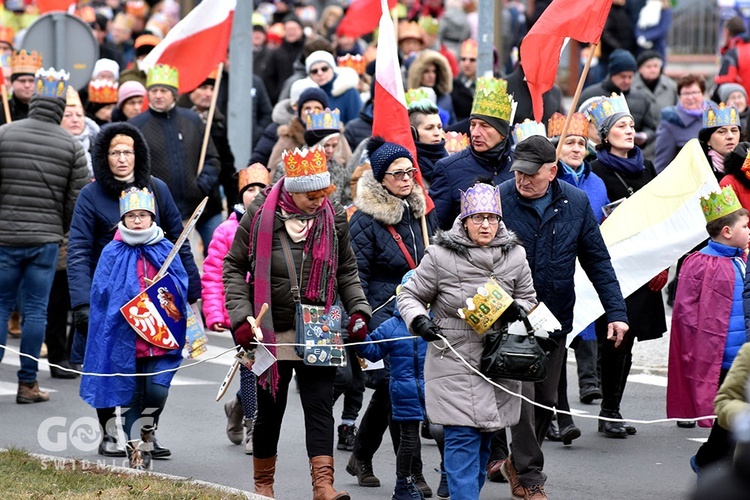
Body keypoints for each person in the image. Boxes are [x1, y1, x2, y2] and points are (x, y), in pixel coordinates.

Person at [223, 145, 372, 499]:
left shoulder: (333, 214)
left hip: (319, 324)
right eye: (310, 195)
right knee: (270, 409)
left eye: (323, 193)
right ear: (291, 188)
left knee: (320, 406)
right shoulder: (259, 213)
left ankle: (323, 486)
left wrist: (358, 311)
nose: (318, 201)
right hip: (269, 327)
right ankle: (264, 487)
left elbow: (347, 269)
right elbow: (233, 267)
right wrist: (242, 319)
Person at [497, 135, 629, 499]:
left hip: (554, 319)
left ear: (552, 172)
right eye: (518, 172)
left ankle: (515, 462)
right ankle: (530, 477)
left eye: (531, 174)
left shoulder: (577, 203)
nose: (522, 180)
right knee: (522, 399)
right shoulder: (499, 197)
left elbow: (598, 261)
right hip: (508, 318)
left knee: (545, 398)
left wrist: (616, 313)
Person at [67, 121, 201, 458]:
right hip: (107, 298)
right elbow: (79, 249)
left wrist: (192, 285)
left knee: (152, 374)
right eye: (115, 152)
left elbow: (178, 239)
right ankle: (110, 432)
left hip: (154, 297)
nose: (122, 158)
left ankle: (146, 433)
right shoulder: (90, 194)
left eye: (128, 151)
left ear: (138, 155)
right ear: (104, 157)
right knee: (108, 366)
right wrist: (83, 300)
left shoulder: (158, 189)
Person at [397, 181, 537, 500]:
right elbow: (409, 294)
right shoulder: (440, 255)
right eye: (478, 218)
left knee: (487, 440)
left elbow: (529, 297)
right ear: (464, 220)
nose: (485, 224)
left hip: (499, 359)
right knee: (462, 439)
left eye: (491, 218)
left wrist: (518, 310)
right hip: (452, 355)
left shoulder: (515, 255)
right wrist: (419, 320)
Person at [346, 136, 436, 495]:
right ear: (381, 179)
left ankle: (361, 455)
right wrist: (362, 318)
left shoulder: (421, 214)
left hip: (420, 312)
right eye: (397, 173)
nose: (406, 178)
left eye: (409, 171)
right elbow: (355, 276)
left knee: (393, 392)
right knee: (396, 390)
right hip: (385, 316)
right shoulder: (365, 222)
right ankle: (413, 473)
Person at [80, 187, 189, 470]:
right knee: (130, 393)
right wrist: (131, 298)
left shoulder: (165, 248)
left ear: (151, 217)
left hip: (161, 336)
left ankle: (147, 430)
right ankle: (136, 451)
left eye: (142, 215)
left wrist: (161, 293)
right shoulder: (112, 251)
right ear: (123, 219)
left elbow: (180, 285)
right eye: (131, 215)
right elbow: (102, 293)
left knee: (156, 391)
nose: (137, 220)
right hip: (125, 336)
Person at [0, 67, 88, 403]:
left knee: (1, 304)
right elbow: (76, 199)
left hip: (5, 237)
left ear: (35, 100)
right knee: (37, 311)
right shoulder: (70, 145)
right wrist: (58, 227)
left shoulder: (5, 133)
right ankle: (27, 384)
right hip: (45, 242)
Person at [588, 93, 666, 438]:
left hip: (644, 262)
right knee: (614, 337)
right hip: (613, 265)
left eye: (632, 125)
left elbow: (657, 213)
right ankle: (608, 410)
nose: (629, 130)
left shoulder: (646, 167)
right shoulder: (597, 170)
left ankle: (614, 406)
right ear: (606, 135)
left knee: (630, 336)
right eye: (621, 126)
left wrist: (663, 261)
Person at [666, 185, 749, 472]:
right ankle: (709, 463)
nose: (749, 230)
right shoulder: (700, 262)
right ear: (727, 231)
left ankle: (711, 463)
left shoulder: (742, 259)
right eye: (745, 226)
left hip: (743, 353)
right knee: (731, 416)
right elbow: (688, 316)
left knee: (734, 418)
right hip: (722, 356)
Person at [545, 112, 610, 443]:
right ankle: (561, 413)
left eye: (581, 143)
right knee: (555, 346)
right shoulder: (551, 182)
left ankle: (589, 382)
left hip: (587, 268)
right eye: (568, 142)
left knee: (585, 330)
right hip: (558, 271)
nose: (575, 148)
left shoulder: (596, 182)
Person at [202, 163, 269, 455]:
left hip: (270, 309)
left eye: (261, 189)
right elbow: (215, 273)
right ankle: (254, 425)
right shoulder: (227, 230)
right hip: (240, 310)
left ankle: (237, 404)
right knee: (251, 365)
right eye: (249, 190)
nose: (255, 195)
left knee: (269, 370)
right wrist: (216, 313)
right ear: (239, 196)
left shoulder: (277, 223)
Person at [129, 64, 222, 253]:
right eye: (154, 90)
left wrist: (200, 186)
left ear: (174, 94)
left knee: (210, 260)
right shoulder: (137, 126)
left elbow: (212, 159)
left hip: (199, 208)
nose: (158, 95)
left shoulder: (193, 120)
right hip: (160, 213)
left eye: (163, 90)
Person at [356, 270, 429, 500]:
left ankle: (447, 476)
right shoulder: (392, 326)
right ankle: (403, 483)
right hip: (404, 393)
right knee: (409, 441)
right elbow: (373, 350)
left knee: (443, 434)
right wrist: (358, 336)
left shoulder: (437, 322)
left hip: (435, 391)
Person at [430, 76, 515, 229]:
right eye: (472, 124)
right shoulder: (448, 169)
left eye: (484, 126)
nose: (475, 133)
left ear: (502, 133)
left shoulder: (519, 167)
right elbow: (436, 227)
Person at [580, 49, 659, 157]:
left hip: (632, 156)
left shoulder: (641, 98)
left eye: (630, 77)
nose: (626, 81)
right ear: (612, 74)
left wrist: (644, 136)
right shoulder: (590, 95)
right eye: (622, 76)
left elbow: (651, 128)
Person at [268, 86, 329, 180]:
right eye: (307, 108)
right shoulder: (288, 138)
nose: (312, 112)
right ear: (300, 112)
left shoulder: (336, 137)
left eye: (318, 108)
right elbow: (273, 174)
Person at [653, 74, 706, 173]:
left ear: (703, 94)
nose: (690, 97)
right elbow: (661, 165)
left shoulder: (714, 116)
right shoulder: (670, 123)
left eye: (694, 92)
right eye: (685, 94)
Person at [305, 50, 362, 124]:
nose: (320, 73)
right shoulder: (307, 96)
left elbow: (356, 124)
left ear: (332, 69)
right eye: (314, 71)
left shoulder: (349, 92)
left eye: (324, 69)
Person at [407, 90, 448, 186]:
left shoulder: (453, 159)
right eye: (429, 128)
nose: (437, 133)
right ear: (413, 133)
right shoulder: (408, 168)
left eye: (439, 127)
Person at [407, 49, 456, 126]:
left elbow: (453, 124)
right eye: (426, 71)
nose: (431, 75)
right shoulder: (410, 98)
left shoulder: (445, 98)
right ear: (418, 73)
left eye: (434, 71)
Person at [631, 50, 677, 127]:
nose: (653, 70)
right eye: (648, 67)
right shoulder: (631, 86)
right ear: (640, 69)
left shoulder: (671, 86)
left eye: (656, 66)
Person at [699, 101, 742, 181]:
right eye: (722, 132)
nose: (730, 136)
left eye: (734, 130)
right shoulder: (699, 168)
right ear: (708, 140)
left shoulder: (747, 163)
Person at [0, 49, 43, 125]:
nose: (27, 85)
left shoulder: (45, 111)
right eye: (22, 81)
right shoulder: (3, 110)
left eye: (31, 81)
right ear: (12, 82)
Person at [451, 39, 477, 123]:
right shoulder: (452, 86)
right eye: (463, 59)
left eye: (472, 60)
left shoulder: (489, 84)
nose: (467, 63)